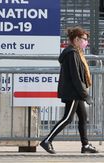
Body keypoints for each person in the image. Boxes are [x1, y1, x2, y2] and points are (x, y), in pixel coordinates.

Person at [40, 26, 98, 154]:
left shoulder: (76, 53)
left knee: (83, 117)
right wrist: (85, 94)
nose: (86, 42)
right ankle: (47, 140)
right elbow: (76, 76)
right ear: (76, 39)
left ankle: (85, 145)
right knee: (67, 118)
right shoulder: (72, 53)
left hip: (76, 91)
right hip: (73, 92)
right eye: (84, 39)